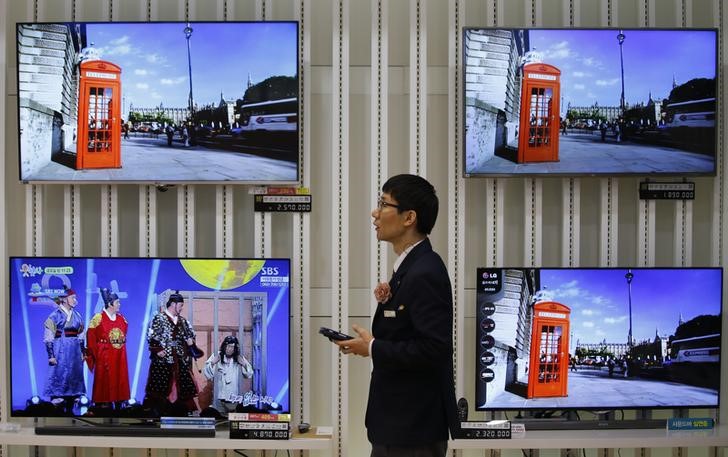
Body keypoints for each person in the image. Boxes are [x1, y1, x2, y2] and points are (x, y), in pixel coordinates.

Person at [335, 174, 459, 457]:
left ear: (409, 218)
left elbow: (434, 347)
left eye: (383, 204)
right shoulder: (410, 266)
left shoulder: (425, 271)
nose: (374, 212)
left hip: (413, 429)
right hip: (399, 424)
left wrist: (373, 348)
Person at [143, 291, 203, 415]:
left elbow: (191, 334)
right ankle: (159, 411)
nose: (181, 308)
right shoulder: (159, 318)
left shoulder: (183, 321)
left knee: (182, 385)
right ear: (173, 304)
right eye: (180, 305)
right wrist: (158, 350)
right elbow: (151, 335)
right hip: (163, 359)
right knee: (160, 386)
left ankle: (180, 411)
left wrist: (190, 341)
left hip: (179, 358)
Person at [43, 287, 86, 414]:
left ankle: (71, 408)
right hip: (60, 350)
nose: (75, 300)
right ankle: (58, 409)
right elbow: (48, 337)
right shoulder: (55, 315)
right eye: (73, 297)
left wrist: (83, 353)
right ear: (64, 299)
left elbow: (81, 335)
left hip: (74, 352)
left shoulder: (77, 315)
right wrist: (51, 355)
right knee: (59, 377)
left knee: (73, 379)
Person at [86, 287, 130, 410]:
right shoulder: (98, 318)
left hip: (119, 354)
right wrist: (95, 354)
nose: (119, 305)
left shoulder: (122, 319)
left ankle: (119, 402)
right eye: (117, 302)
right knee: (104, 380)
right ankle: (103, 404)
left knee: (119, 377)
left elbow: (124, 331)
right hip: (104, 354)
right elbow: (90, 336)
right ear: (110, 304)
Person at [203, 335, 253, 415]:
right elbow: (206, 372)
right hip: (219, 397)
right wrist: (212, 363)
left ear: (235, 348)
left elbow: (249, 374)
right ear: (224, 346)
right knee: (218, 421)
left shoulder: (238, 357)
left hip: (233, 397)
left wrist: (243, 364)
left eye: (232, 347)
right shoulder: (217, 355)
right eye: (228, 346)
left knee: (232, 420)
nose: (229, 349)